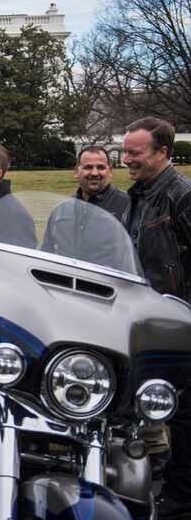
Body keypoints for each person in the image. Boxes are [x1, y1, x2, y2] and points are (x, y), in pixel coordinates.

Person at [119, 117, 191, 520]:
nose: (126, 159)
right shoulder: (140, 196)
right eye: (125, 151)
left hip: (178, 327)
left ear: (163, 153)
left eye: (135, 152)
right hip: (145, 324)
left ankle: (178, 503)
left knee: (184, 419)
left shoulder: (180, 196)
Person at [72, 146, 129, 222]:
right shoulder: (67, 207)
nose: (94, 173)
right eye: (88, 167)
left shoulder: (128, 205)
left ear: (110, 171)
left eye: (101, 167)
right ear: (76, 172)